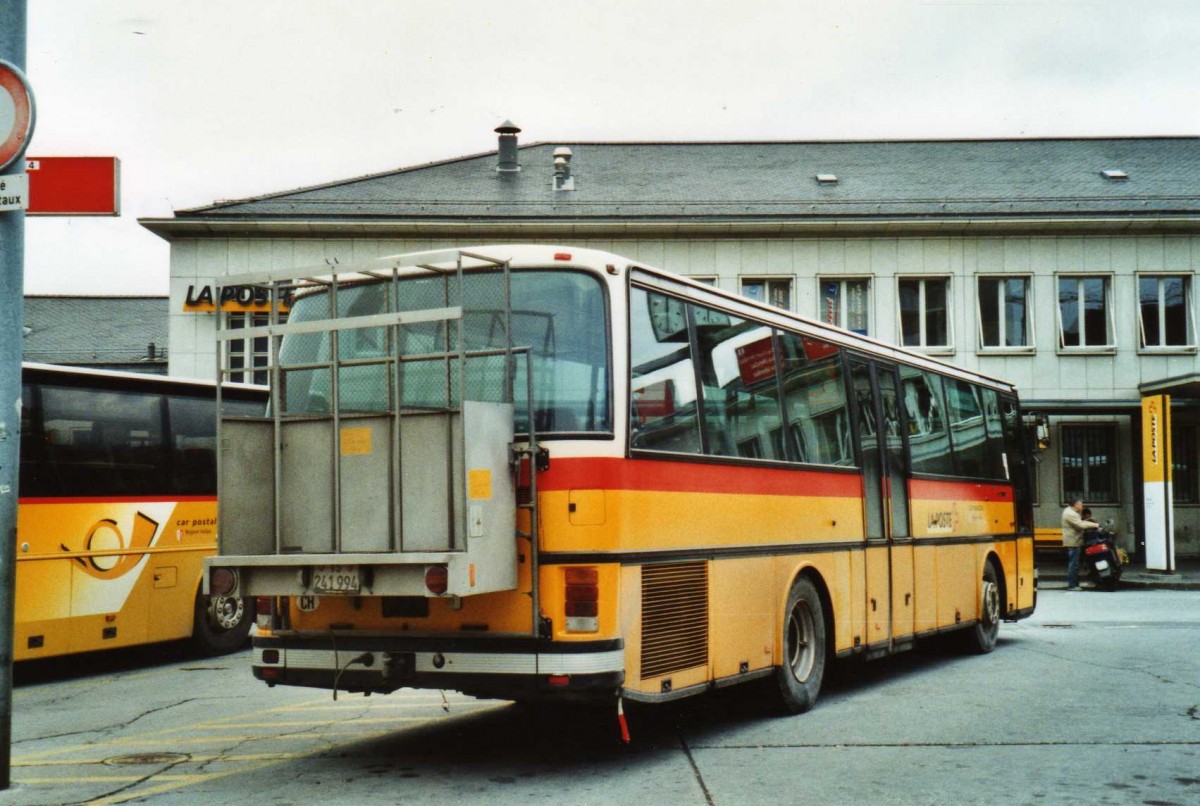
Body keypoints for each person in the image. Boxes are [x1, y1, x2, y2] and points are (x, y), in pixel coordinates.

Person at [1062, 498, 1099, 591]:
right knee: (1073, 564)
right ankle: (1072, 585)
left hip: (1074, 540)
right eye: (1081, 504)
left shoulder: (1071, 512)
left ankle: (1075, 583)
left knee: (1075, 563)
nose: (1082, 506)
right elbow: (1080, 525)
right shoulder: (1070, 513)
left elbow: (1081, 522)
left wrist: (1090, 522)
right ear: (1076, 505)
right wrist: (1095, 525)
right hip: (1073, 541)